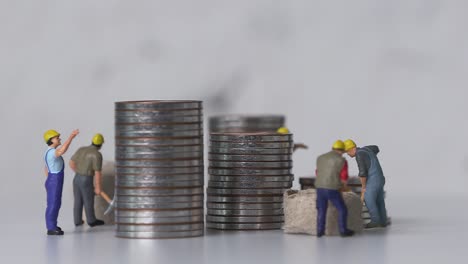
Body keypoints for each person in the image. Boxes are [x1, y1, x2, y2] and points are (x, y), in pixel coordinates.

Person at [344, 139, 387, 228]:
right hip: (380, 179)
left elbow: (363, 173)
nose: (347, 154)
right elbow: (376, 148)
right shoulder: (367, 149)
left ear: (352, 149)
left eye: (347, 152)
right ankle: (383, 221)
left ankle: (375, 221)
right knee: (379, 200)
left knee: (369, 199)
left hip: (373, 180)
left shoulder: (359, 155)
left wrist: (363, 187)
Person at [315, 140, 355, 237]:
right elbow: (344, 177)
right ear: (342, 151)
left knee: (321, 209)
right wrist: (345, 187)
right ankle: (343, 230)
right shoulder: (342, 161)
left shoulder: (320, 158)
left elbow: (317, 172)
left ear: (333, 148)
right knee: (342, 209)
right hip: (332, 188)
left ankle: (320, 231)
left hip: (319, 187)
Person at [43, 129, 79, 235]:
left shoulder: (49, 152)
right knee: (53, 204)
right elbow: (61, 151)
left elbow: (46, 167)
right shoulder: (52, 152)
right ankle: (51, 227)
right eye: (56, 137)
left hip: (53, 179)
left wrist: (49, 179)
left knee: (55, 203)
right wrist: (71, 137)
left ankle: (52, 224)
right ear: (51, 140)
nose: (59, 139)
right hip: (55, 180)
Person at [69, 133, 105, 227]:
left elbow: (71, 163)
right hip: (86, 179)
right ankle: (91, 220)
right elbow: (97, 172)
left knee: (78, 200)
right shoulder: (97, 154)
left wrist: (79, 172)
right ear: (101, 144)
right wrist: (98, 187)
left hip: (76, 178)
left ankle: (77, 221)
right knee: (88, 200)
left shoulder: (81, 149)